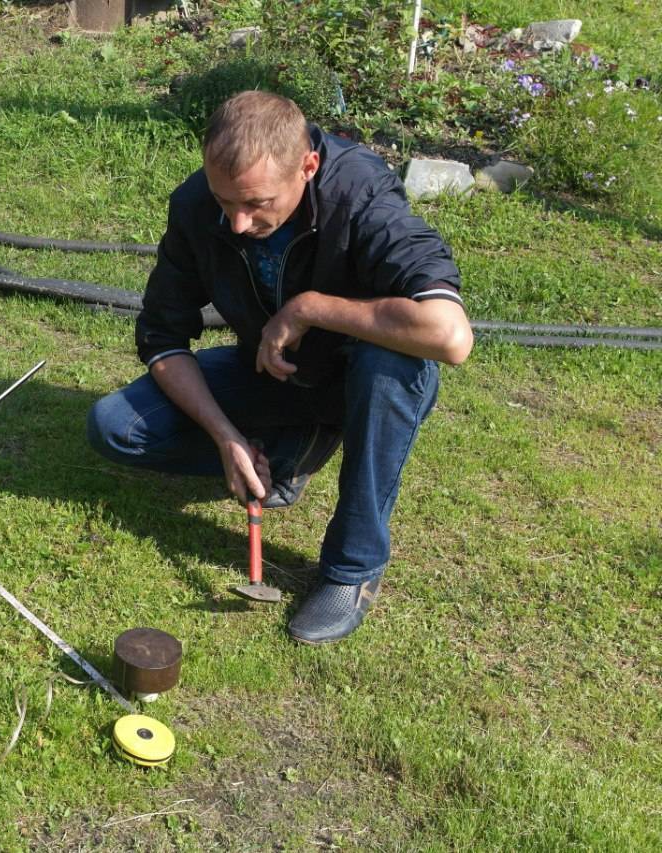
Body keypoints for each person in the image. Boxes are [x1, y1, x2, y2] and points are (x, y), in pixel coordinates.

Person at [87, 91, 472, 644]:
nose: (238, 224)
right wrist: (225, 438)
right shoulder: (199, 204)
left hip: (359, 381)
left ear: (307, 167)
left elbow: (450, 336)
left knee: (391, 362)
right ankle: (288, 451)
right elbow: (161, 337)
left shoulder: (361, 195)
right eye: (226, 201)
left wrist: (308, 308)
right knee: (115, 426)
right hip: (273, 372)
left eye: (257, 204)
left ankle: (352, 569)